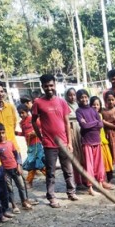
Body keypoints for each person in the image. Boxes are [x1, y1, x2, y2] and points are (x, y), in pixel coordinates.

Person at [32, 74, 78, 206]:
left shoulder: (62, 102)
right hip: (49, 143)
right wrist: (41, 137)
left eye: (51, 85)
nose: (49, 88)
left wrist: (69, 142)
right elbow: (34, 121)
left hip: (63, 143)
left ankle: (71, 192)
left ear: (55, 85)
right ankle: (51, 196)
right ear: (42, 87)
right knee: (50, 172)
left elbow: (66, 122)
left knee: (68, 169)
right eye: (46, 86)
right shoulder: (38, 103)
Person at [76, 90, 112, 196]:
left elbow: (100, 125)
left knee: (99, 165)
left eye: (86, 97)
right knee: (89, 166)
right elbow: (84, 126)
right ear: (78, 99)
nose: (84, 99)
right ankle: (90, 188)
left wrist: (92, 123)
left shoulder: (93, 110)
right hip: (87, 142)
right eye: (82, 97)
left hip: (97, 141)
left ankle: (100, 184)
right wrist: (95, 122)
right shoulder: (79, 111)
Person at [0, 122, 33, 211]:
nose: (1, 135)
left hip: (15, 168)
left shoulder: (10, 143)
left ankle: (24, 201)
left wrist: (19, 165)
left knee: (21, 186)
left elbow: (17, 154)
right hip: (5, 171)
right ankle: (14, 205)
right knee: (9, 188)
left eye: (3, 133)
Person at [16, 104, 45, 188]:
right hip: (29, 145)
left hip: (37, 143)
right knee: (38, 163)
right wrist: (17, 133)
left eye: (23, 113)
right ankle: (49, 176)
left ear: (27, 112)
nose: (21, 115)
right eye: (19, 113)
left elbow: (41, 128)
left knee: (32, 162)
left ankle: (29, 181)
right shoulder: (21, 123)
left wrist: (35, 133)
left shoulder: (33, 119)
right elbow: (24, 133)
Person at [91, 96, 115, 186]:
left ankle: (108, 180)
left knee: (108, 160)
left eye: (97, 104)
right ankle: (102, 181)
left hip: (104, 141)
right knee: (100, 162)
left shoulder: (100, 115)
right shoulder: (90, 116)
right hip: (96, 142)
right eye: (93, 105)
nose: (96, 106)